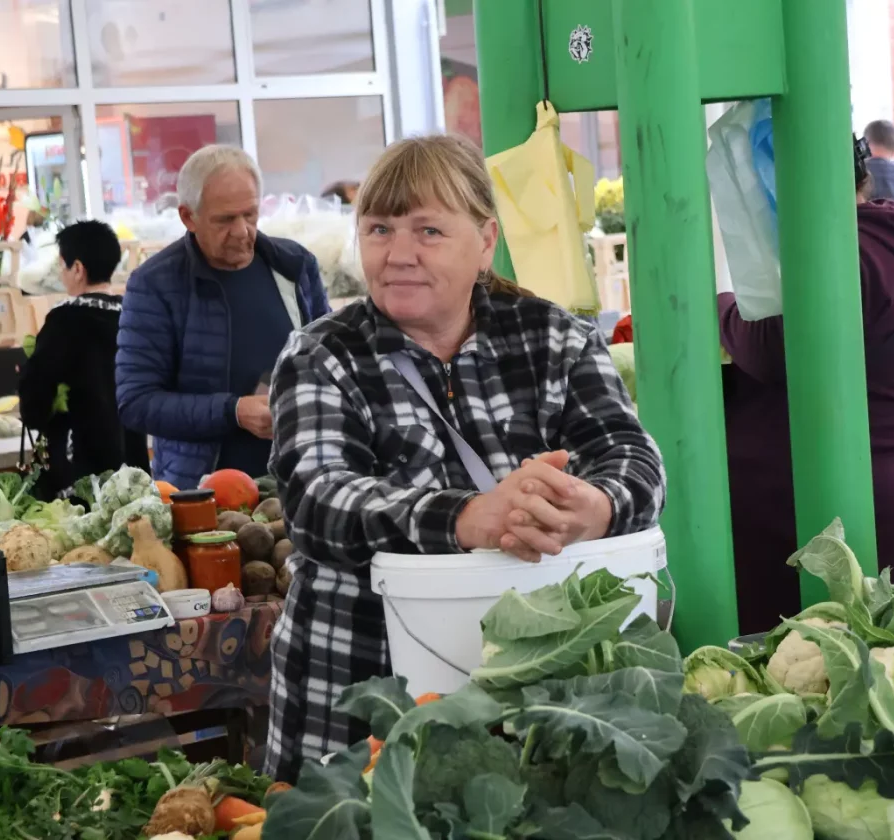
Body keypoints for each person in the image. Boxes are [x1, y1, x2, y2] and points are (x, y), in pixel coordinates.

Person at [264, 134, 666, 781]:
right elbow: (318, 501)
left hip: (527, 693)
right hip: (355, 689)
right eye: (379, 229)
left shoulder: (551, 337)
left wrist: (594, 507)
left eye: (428, 230)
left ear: (484, 241)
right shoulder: (321, 354)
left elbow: (632, 457)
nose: (399, 254)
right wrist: (466, 517)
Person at [717, 135, 894, 635]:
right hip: (868, 498)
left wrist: (720, 308)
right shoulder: (883, 241)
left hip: (854, 505)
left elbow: (775, 348)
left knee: (852, 680)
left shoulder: (850, 252)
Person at [116, 145, 330, 489]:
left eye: (250, 214)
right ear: (188, 217)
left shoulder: (294, 266)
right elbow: (136, 402)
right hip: (202, 493)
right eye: (225, 220)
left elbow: (330, 363)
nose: (243, 231)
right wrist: (233, 411)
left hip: (300, 481)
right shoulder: (156, 285)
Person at [20, 221, 150, 499]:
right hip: (132, 455)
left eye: (63, 266)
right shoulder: (134, 316)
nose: (62, 274)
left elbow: (36, 396)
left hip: (80, 462)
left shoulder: (63, 321)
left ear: (77, 269)